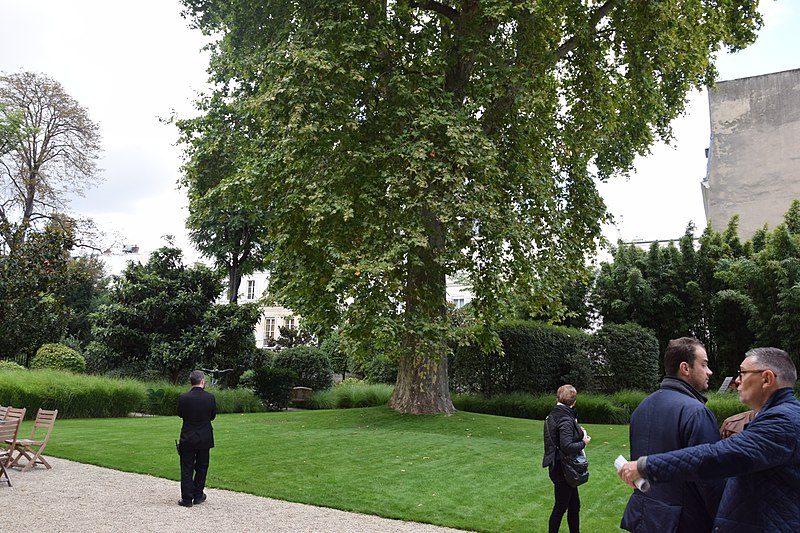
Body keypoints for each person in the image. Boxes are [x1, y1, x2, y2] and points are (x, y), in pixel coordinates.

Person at [618, 347, 800, 532]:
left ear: (767, 378)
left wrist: (646, 467)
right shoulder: (777, 417)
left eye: (742, 373)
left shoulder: (783, 422)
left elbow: (717, 456)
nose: (737, 380)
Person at [620, 337, 723, 533]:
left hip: (646, 519)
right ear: (685, 368)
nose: (709, 371)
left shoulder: (642, 407)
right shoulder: (696, 412)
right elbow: (711, 479)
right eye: (704, 364)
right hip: (685, 522)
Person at [542, 384, 591, 533]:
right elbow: (567, 446)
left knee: (574, 506)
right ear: (573, 402)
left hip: (559, 465)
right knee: (561, 507)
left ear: (557, 398)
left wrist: (579, 432)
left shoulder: (554, 414)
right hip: (563, 468)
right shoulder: (565, 418)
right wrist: (583, 441)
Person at [177, 369, 217, 507]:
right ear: (202, 381)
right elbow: (212, 416)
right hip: (204, 436)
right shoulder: (210, 398)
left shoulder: (183, 397)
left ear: (191, 381)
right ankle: (198, 494)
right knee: (202, 467)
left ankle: (187, 499)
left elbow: (180, 414)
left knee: (187, 467)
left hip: (188, 436)